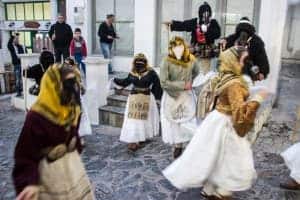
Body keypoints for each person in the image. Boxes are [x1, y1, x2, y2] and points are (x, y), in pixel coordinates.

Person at [163, 47, 268, 200]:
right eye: (244, 60)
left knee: (214, 154)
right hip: (226, 123)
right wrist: (258, 99)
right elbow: (239, 112)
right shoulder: (235, 83)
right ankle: (222, 193)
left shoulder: (224, 75)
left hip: (216, 119)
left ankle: (209, 189)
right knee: (230, 157)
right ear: (234, 61)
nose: (247, 63)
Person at [12, 63, 94, 199]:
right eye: (68, 83)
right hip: (50, 175)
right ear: (54, 85)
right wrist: (29, 183)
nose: (73, 87)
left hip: (73, 169)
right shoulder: (36, 117)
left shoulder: (73, 110)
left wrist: (76, 144)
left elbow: (73, 136)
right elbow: (25, 155)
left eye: (74, 82)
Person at [113, 53, 162, 152]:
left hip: (145, 98)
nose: (140, 63)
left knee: (142, 119)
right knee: (134, 119)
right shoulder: (134, 72)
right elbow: (125, 82)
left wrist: (157, 97)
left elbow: (157, 85)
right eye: (138, 61)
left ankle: (141, 138)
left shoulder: (151, 72)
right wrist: (115, 80)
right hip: (135, 98)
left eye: (141, 61)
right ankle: (133, 140)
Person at [160, 36, 199, 159]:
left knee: (190, 121)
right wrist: (183, 84)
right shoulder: (166, 61)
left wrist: (190, 81)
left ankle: (191, 148)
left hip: (187, 96)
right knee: (175, 123)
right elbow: (163, 82)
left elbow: (196, 71)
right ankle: (178, 146)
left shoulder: (191, 59)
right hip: (172, 96)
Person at [166, 2, 221, 75]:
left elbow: (217, 34)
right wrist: (172, 24)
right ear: (200, 14)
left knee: (204, 72)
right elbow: (184, 25)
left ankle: (202, 83)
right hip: (195, 50)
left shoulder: (213, 23)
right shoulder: (195, 22)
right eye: (203, 14)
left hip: (207, 51)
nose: (205, 16)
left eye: (207, 14)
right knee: (192, 70)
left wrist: (207, 30)